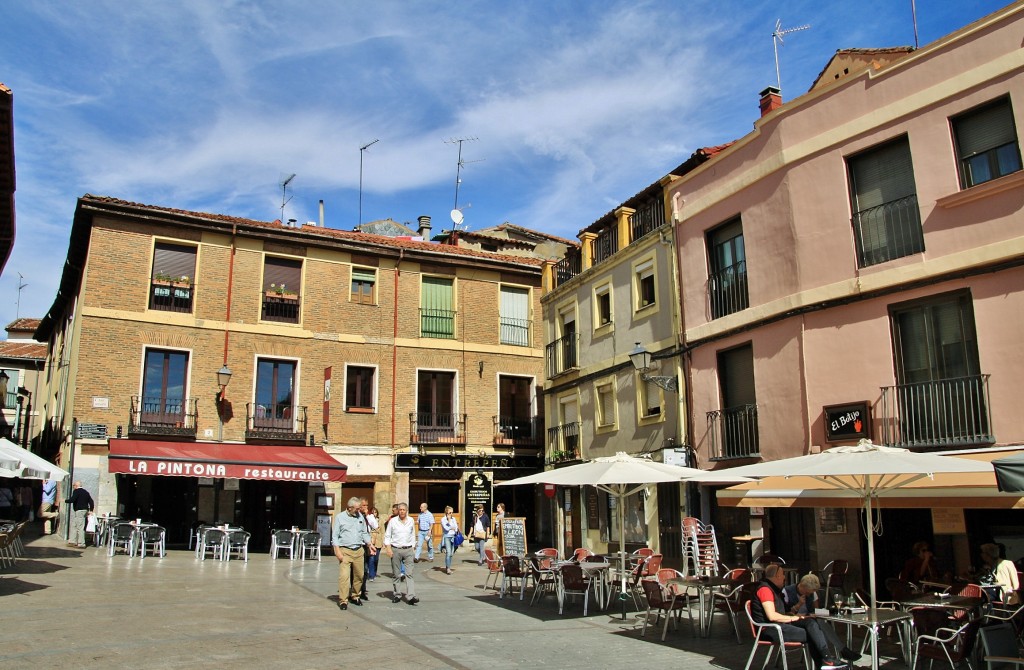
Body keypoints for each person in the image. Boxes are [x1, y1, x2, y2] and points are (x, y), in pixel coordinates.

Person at [750, 564, 858, 667]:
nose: (784, 577)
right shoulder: (765, 590)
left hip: (781, 624)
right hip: (770, 629)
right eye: (783, 575)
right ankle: (825, 661)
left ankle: (826, 659)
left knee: (810, 622)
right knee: (813, 634)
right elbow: (772, 616)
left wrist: (801, 616)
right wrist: (794, 617)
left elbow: (785, 612)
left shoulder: (775, 590)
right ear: (777, 576)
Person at [783, 573, 861, 662]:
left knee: (821, 621)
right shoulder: (787, 591)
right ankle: (839, 651)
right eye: (809, 591)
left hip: (809, 618)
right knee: (816, 623)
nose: (810, 594)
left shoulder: (812, 593)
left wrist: (821, 613)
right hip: (794, 620)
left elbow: (816, 610)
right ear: (803, 586)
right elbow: (786, 614)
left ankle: (835, 652)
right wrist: (798, 605)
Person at [331, 496, 375, 611]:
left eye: (359, 508)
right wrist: (337, 551)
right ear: (349, 508)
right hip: (345, 550)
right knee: (344, 577)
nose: (359, 510)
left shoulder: (360, 516)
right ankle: (343, 600)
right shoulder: (340, 517)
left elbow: (364, 533)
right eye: (356, 508)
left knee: (359, 576)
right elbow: (335, 536)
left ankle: (355, 596)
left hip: (359, 550)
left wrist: (370, 544)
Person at [383, 502, 418, 605]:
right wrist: (388, 548)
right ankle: (397, 594)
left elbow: (413, 534)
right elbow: (387, 535)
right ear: (398, 511)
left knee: (409, 574)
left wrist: (413, 547)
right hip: (396, 549)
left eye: (404, 510)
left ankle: (411, 596)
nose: (402, 511)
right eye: (400, 509)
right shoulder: (393, 521)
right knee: (396, 574)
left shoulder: (411, 520)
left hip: (408, 550)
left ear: (406, 511)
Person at [65, 481, 94, 548]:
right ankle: (72, 541)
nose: (73, 487)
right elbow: (91, 502)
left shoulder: (76, 491)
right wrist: (91, 510)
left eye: (73, 485)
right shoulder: (86, 492)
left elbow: (73, 499)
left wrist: (66, 500)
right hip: (83, 511)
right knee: (74, 526)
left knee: (80, 527)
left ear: (76, 486)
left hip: (80, 511)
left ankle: (81, 543)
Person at [365, 504, 383, 583]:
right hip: (371, 541)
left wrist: (384, 541)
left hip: (378, 541)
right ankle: (371, 575)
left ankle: (374, 572)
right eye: (372, 512)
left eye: (375, 512)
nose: (374, 514)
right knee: (371, 558)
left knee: (376, 559)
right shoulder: (368, 520)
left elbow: (382, 531)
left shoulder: (380, 521)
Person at [440, 506, 459, 575]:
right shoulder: (443, 519)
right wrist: (449, 522)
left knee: (451, 553)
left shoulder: (454, 518)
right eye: (449, 513)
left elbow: (456, 528)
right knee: (448, 553)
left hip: (453, 537)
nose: (451, 514)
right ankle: (448, 568)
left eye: (452, 513)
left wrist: (452, 527)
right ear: (446, 512)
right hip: (447, 537)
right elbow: (446, 528)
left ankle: (448, 566)